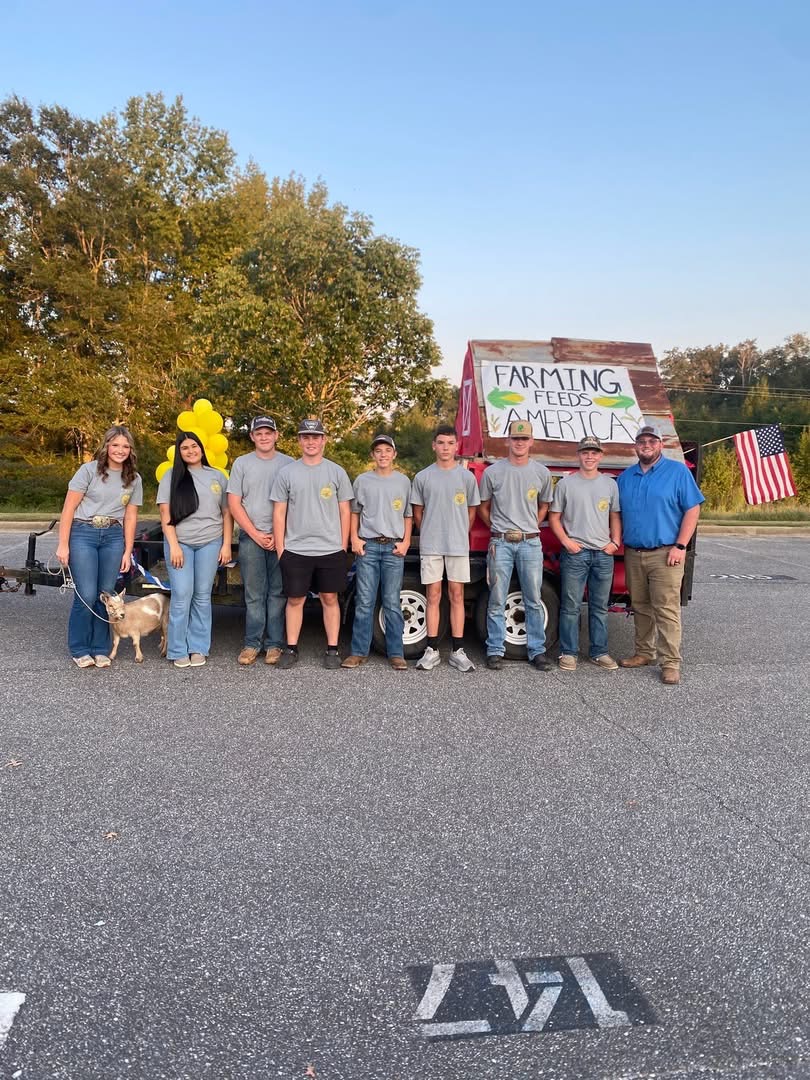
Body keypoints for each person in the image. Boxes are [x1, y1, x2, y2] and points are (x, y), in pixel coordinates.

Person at [616, 422, 704, 685]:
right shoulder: (625, 477)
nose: (646, 446)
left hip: (666, 553)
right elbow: (617, 513)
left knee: (666, 609)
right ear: (636, 446)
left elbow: (693, 509)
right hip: (634, 552)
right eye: (642, 442)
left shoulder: (677, 472)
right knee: (640, 606)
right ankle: (644, 652)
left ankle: (671, 663)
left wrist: (681, 545)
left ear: (660, 445)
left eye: (652, 441)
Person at [56, 425, 143, 668]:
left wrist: (128, 550)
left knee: (106, 595)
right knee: (86, 595)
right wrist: (63, 544)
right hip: (84, 533)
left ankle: (100, 648)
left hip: (113, 537)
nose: (120, 450)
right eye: (115, 445)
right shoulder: (88, 471)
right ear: (106, 446)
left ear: (130, 450)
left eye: (125, 446)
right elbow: (68, 509)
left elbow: (131, 517)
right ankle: (80, 648)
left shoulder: (134, 478)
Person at [271, 418, 353, 670]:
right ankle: (291, 648)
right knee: (295, 600)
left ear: (323, 440)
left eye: (315, 437)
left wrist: (342, 545)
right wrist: (281, 549)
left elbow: (345, 511)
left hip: (330, 549)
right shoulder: (287, 473)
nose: (310, 441)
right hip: (296, 549)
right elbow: (279, 512)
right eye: (305, 437)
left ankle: (332, 649)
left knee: (330, 598)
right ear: (299, 441)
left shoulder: (336, 472)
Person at [478, 420, 555, 671]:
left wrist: (535, 524)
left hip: (530, 543)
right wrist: (495, 527)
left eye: (524, 439)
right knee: (497, 598)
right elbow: (483, 506)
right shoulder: (493, 472)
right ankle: (495, 649)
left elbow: (545, 504)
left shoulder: (542, 473)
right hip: (500, 542)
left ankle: (537, 651)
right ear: (508, 441)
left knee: (533, 598)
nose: (519, 442)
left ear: (531, 441)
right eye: (515, 438)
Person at [157, 431, 233, 669]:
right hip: (180, 544)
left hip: (210, 543)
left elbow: (227, 513)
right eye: (185, 448)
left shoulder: (217, 477)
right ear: (179, 453)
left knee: (202, 596)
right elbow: (164, 514)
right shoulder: (172, 477)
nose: (191, 451)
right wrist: (174, 546)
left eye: (194, 446)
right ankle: (177, 649)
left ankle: (198, 647)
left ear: (202, 448)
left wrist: (226, 544)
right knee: (182, 595)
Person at [410, 425, 480, 672]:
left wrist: (458, 531)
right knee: (433, 596)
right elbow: (418, 514)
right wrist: (430, 531)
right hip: (431, 545)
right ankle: (432, 650)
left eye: (450, 443)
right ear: (434, 445)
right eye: (441, 443)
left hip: (458, 545)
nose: (446, 448)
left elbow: (471, 512)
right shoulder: (423, 477)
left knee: (457, 595)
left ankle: (458, 650)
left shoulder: (467, 478)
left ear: (457, 446)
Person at [549, 435, 622, 671]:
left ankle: (599, 652)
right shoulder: (565, 484)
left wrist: (615, 542)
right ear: (578, 455)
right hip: (575, 554)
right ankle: (568, 653)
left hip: (603, 554)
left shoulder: (610, 484)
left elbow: (614, 515)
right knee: (571, 606)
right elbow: (554, 517)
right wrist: (566, 541)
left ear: (600, 456)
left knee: (599, 607)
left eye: (594, 452)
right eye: (585, 452)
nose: (589, 456)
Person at [342, 435, 413, 671]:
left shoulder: (403, 482)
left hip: (393, 547)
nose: (383, 455)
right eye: (378, 451)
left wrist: (405, 543)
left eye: (387, 450)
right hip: (369, 546)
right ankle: (358, 651)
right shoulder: (362, 481)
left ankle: (396, 653)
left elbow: (407, 515)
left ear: (394, 454)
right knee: (364, 601)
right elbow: (354, 513)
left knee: (392, 601)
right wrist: (354, 538)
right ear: (372, 455)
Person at [227, 415, 293, 667]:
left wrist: (279, 537)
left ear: (276, 435)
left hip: (282, 539)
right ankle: (252, 643)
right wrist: (255, 534)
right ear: (252, 436)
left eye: (269, 432)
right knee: (254, 594)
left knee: (278, 593)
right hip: (251, 537)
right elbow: (234, 503)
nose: (264, 437)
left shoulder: (289, 464)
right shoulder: (242, 464)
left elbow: (294, 503)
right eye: (259, 433)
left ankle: (274, 644)